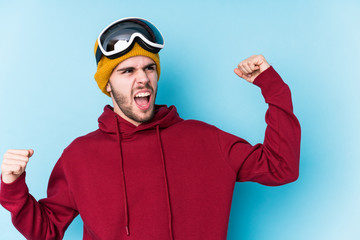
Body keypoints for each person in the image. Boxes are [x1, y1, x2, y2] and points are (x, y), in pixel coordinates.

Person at [0, 17, 301, 240]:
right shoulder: (79, 156)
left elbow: (281, 167)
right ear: (107, 83)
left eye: (149, 68)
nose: (142, 79)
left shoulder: (207, 140)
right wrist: (12, 187)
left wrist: (273, 89)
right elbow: (47, 230)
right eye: (127, 71)